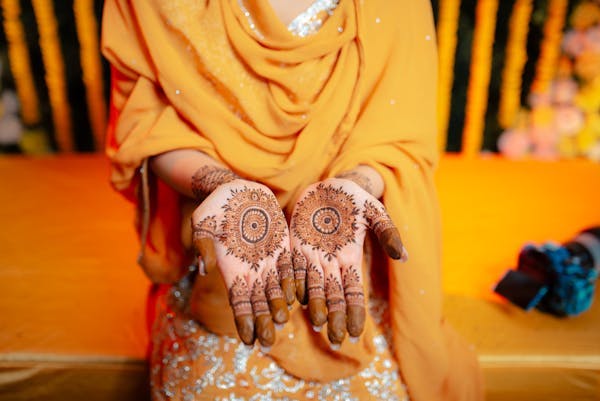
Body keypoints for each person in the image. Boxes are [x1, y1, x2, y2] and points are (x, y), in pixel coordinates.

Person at [101, 0, 483, 400]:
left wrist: (351, 188)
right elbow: (147, 123)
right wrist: (225, 188)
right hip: (222, 269)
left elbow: (402, 140)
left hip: (347, 264)